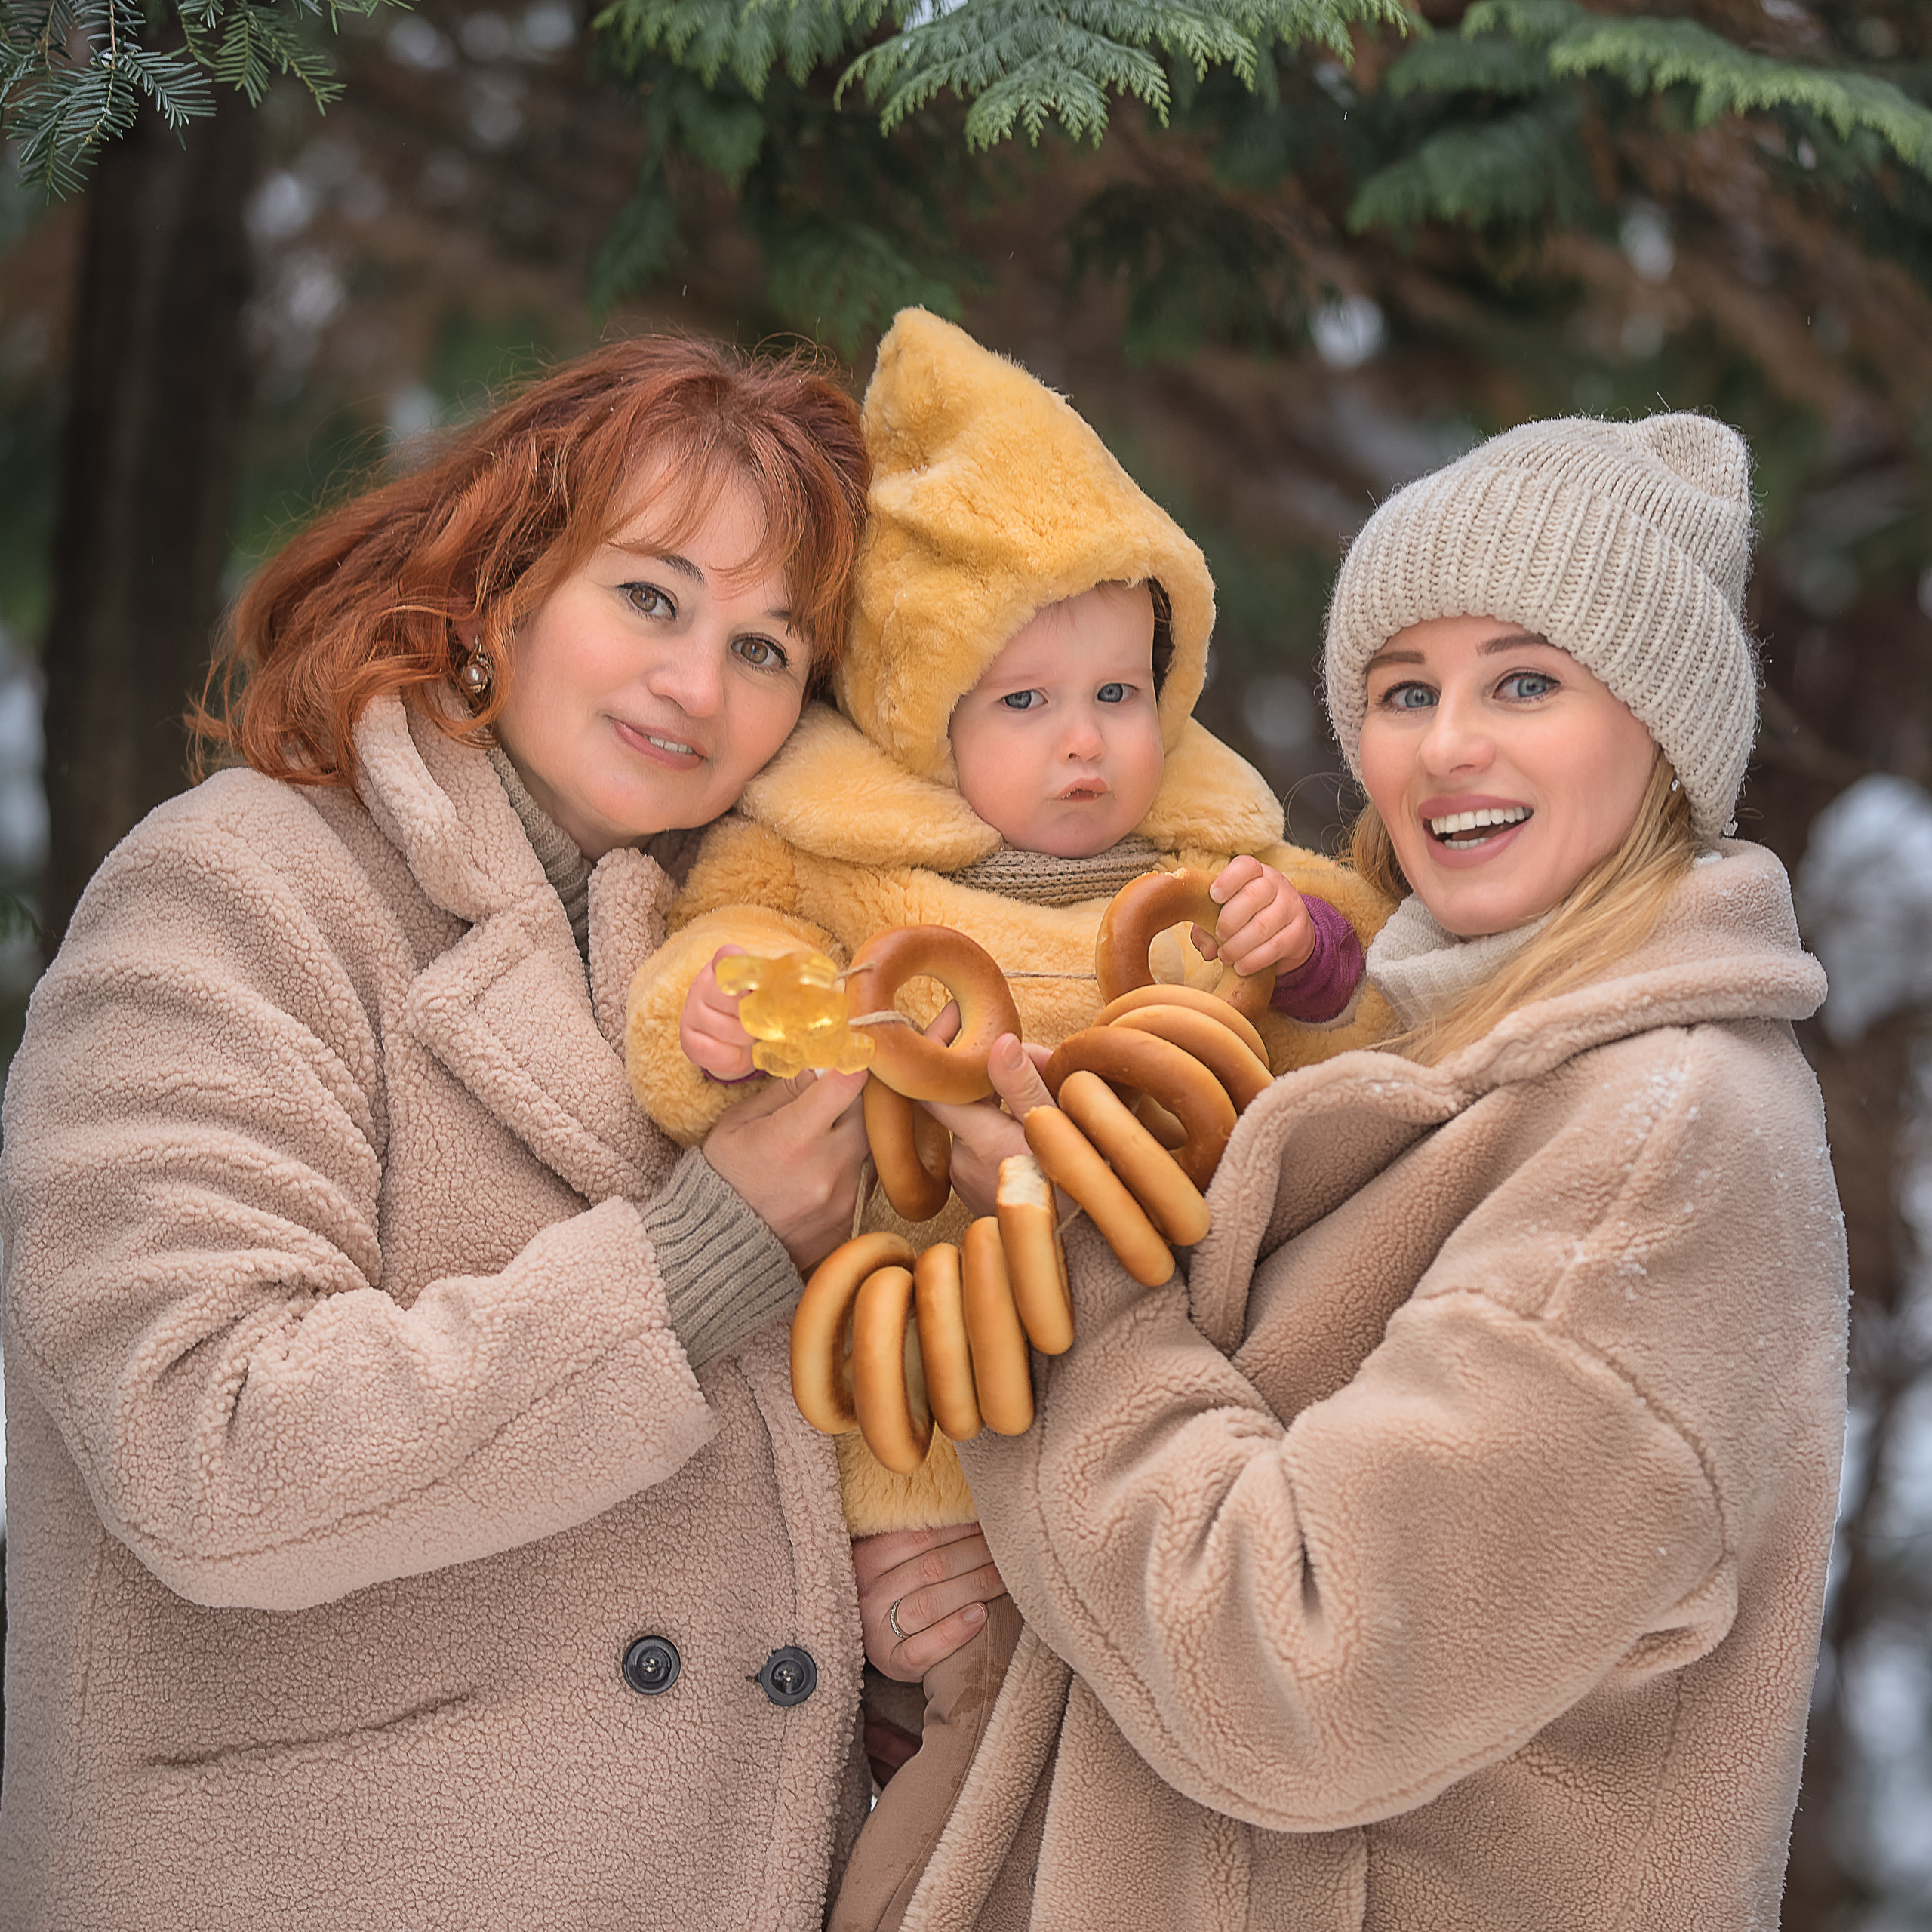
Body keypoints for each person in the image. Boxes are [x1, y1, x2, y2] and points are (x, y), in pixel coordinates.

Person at [0, 337, 959, 1932]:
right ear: (497, 585)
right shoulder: (238, 890)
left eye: (765, 647)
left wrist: (897, 1621)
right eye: (648, 597)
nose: (696, 684)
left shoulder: (736, 975)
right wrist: (694, 1258)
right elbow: (204, 1440)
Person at [878, 413, 1850, 1929]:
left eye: (1523, 681)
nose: (1446, 743)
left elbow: (1298, 1672)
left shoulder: (1659, 1144)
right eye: (1404, 690)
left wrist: (1065, 1259)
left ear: (1661, 729)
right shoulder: (1407, 1053)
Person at [623, 310, 1392, 1931]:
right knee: (958, 1771)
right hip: (928, 1405)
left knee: (1151, 1776)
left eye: (1119, 689)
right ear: (923, 711)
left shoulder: (1208, 864)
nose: (1086, 739)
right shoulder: (843, 855)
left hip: (1174, 1396)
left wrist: (1305, 951)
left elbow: (1371, 1005)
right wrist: (724, 1013)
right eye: (1025, 699)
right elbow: (724, 940)